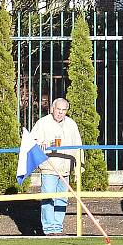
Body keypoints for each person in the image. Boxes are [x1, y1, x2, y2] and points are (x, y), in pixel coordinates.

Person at [29, 97, 83, 236]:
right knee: (49, 197)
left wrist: (78, 166)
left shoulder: (71, 124)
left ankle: (58, 227)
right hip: (49, 167)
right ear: (52, 109)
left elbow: (78, 145)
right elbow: (32, 141)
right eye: (58, 109)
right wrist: (41, 143)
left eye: (63, 110)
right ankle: (49, 229)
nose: (60, 112)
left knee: (62, 199)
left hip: (65, 168)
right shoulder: (43, 123)